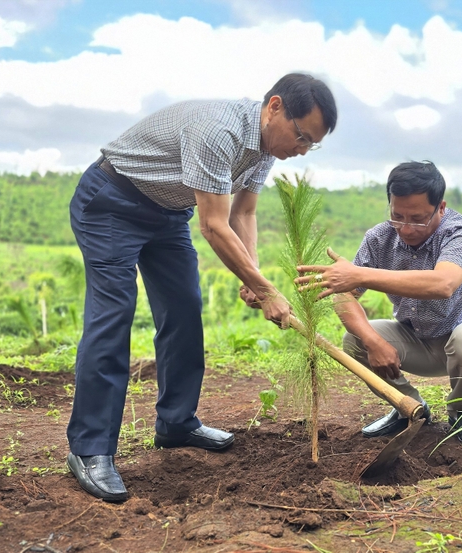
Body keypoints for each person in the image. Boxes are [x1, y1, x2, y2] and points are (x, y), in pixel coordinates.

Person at [66, 73, 338, 502]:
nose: (301, 149)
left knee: (184, 310)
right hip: (112, 203)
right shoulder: (219, 130)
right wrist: (267, 291)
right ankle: (90, 448)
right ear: (275, 107)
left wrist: (253, 276)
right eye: (301, 136)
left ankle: (176, 423)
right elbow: (213, 225)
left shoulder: (267, 147)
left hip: (168, 213)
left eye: (311, 144)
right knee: (113, 315)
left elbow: (243, 215)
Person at [295, 161, 462, 447]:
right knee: (355, 339)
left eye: (417, 219)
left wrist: (359, 274)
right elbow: (344, 295)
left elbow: (442, 284)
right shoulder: (379, 238)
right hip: (420, 341)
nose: (406, 228)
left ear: (440, 208)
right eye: (397, 216)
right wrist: (373, 341)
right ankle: (409, 408)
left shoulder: (460, 233)